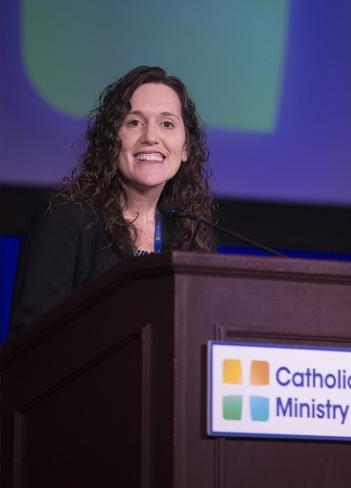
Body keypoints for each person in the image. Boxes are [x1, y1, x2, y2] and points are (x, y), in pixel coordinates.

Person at [9, 66, 216, 336]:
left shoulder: (191, 234)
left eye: (167, 124)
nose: (151, 137)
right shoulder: (66, 222)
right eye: (134, 122)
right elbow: (32, 341)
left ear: (186, 148)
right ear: (111, 140)